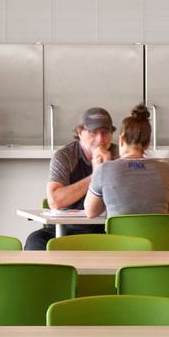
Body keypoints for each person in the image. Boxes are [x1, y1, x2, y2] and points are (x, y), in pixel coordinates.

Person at [25, 108, 114, 252]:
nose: (100, 139)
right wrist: (96, 175)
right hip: (67, 229)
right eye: (93, 133)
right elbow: (55, 200)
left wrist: (110, 167)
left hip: (105, 229)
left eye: (105, 133)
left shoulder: (119, 154)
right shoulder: (65, 156)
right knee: (35, 241)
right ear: (80, 133)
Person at [84, 104, 169, 219]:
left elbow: (90, 212)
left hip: (120, 237)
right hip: (157, 237)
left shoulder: (104, 169)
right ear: (147, 144)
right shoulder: (166, 170)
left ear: (121, 139)